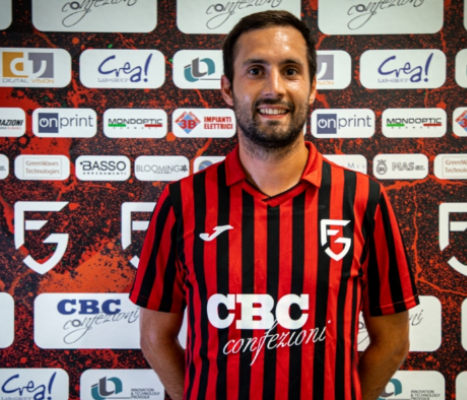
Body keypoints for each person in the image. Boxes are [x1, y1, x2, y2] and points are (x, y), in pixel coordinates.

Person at [130, 10, 419, 400]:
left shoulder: (364, 199)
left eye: (291, 71)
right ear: (227, 89)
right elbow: (155, 336)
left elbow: (393, 341)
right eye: (255, 71)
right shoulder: (182, 203)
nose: (274, 89)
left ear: (312, 88)